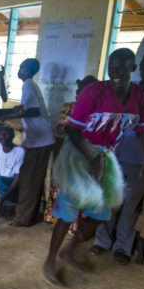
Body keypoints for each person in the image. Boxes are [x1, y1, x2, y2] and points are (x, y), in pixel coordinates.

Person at [43, 48, 144, 285]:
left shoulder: (141, 97)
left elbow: (143, 133)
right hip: (78, 155)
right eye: (112, 66)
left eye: (123, 67)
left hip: (105, 156)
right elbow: (73, 129)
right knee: (67, 212)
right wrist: (91, 159)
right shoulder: (94, 92)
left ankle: (70, 249)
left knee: (101, 213)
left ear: (133, 68)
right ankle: (50, 260)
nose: (116, 71)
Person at [91, 49, 144, 265]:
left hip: (143, 155)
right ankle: (102, 241)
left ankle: (122, 247)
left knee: (130, 204)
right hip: (117, 150)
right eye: (143, 65)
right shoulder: (131, 87)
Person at [0, 58, 55, 227]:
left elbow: (33, 110)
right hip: (42, 139)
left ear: (28, 70)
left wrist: (10, 116)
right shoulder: (31, 85)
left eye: (22, 67)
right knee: (35, 179)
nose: (19, 69)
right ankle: (30, 215)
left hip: (38, 141)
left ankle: (22, 218)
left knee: (27, 179)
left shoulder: (28, 84)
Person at [44, 75, 98, 228]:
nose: (78, 92)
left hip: (86, 153)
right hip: (68, 150)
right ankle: (59, 219)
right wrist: (63, 127)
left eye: (82, 90)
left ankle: (75, 224)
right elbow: (60, 130)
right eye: (78, 89)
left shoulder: (98, 111)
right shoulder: (69, 107)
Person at [0, 126, 25, 208]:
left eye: (5, 134)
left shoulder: (19, 151)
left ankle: (3, 201)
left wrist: (2, 199)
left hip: (9, 183)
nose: (2, 137)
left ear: (12, 136)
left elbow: (16, 179)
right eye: (1, 134)